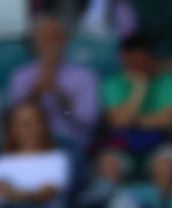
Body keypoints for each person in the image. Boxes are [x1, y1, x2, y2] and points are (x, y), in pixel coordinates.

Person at [7, 15, 101, 150]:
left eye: (54, 38)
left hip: (72, 145)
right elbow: (12, 122)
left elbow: (89, 122)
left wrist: (60, 96)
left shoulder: (85, 77)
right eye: (44, 38)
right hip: (28, 146)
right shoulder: (20, 77)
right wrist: (35, 94)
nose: (50, 44)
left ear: (65, 41)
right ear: (35, 43)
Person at [0, 103, 73, 208]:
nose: (27, 129)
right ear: (12, 128)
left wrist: (11, 192)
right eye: (21, 124)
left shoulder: (56, 158)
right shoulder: (0, 160)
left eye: (32, 122)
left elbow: (47, 193)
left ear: (43, 125)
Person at [100, 34, 172, 166]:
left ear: (150, 59)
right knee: (109, 163)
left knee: (165, 165)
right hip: (124, 143)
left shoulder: (168, 80)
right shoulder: (113, 83)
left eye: (141, 63)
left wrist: (135, 121)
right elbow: (119, 122)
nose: (136, 67)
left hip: (161, 142)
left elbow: (168, 120)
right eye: (132, 63)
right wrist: (139, 88)